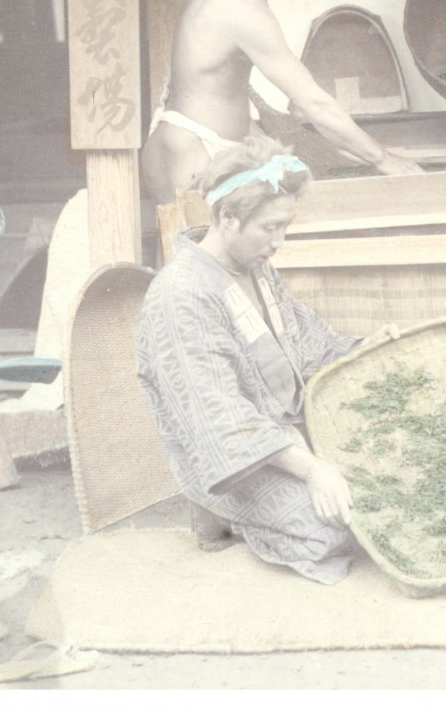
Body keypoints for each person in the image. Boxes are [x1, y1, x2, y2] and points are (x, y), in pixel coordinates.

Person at [137, 136, 396, 583]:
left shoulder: (256, 267)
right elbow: (218, 418)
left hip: (289, 433)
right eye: (269, 228)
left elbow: (306, 338)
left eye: (284, 227)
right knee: (335, 530)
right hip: (234, 457)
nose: (279, 242)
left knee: (388, 483)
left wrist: (368, 348)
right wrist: (314, 470)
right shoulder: (181, 294)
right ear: (227, 218)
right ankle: (224, 514)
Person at [141, 0, 421, 202]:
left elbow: (213, 74)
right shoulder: (242, 7)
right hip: (188, 156)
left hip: (187, 145)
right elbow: (314, 102)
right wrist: (383, 159)